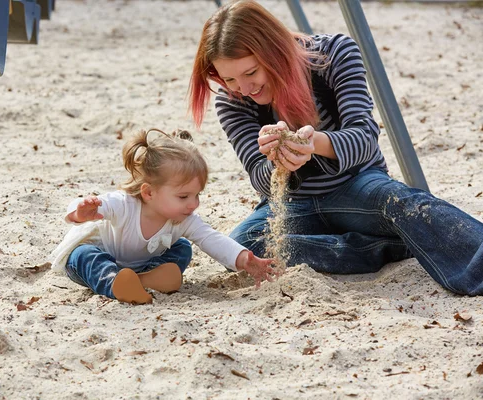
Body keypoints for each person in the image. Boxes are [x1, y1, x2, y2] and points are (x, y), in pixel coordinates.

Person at [188, 0, 483, 295]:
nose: (243, 88)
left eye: (251, 72)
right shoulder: (231, 100)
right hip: (294, 203)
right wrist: (277, 160)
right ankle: (387, 246)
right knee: (242, 246)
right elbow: (260, 179)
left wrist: (313, 143)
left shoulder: (334, 54)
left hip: (356, 185)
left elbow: (365, 139)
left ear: (273, 50)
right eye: (229, 78)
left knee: (403, 203)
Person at [49, 129, 276, 305]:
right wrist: (81, 212)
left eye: (197, 195)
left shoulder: (183, 218)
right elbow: (94, 205)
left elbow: (210, 238)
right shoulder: (124, 204)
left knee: (183, 248)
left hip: (143, 266)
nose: (193, 203)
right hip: (100, 262)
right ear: (149, 192)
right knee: (83, 254)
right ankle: (115, 284)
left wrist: (244, 258)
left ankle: (145, 279)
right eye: (183, 196)